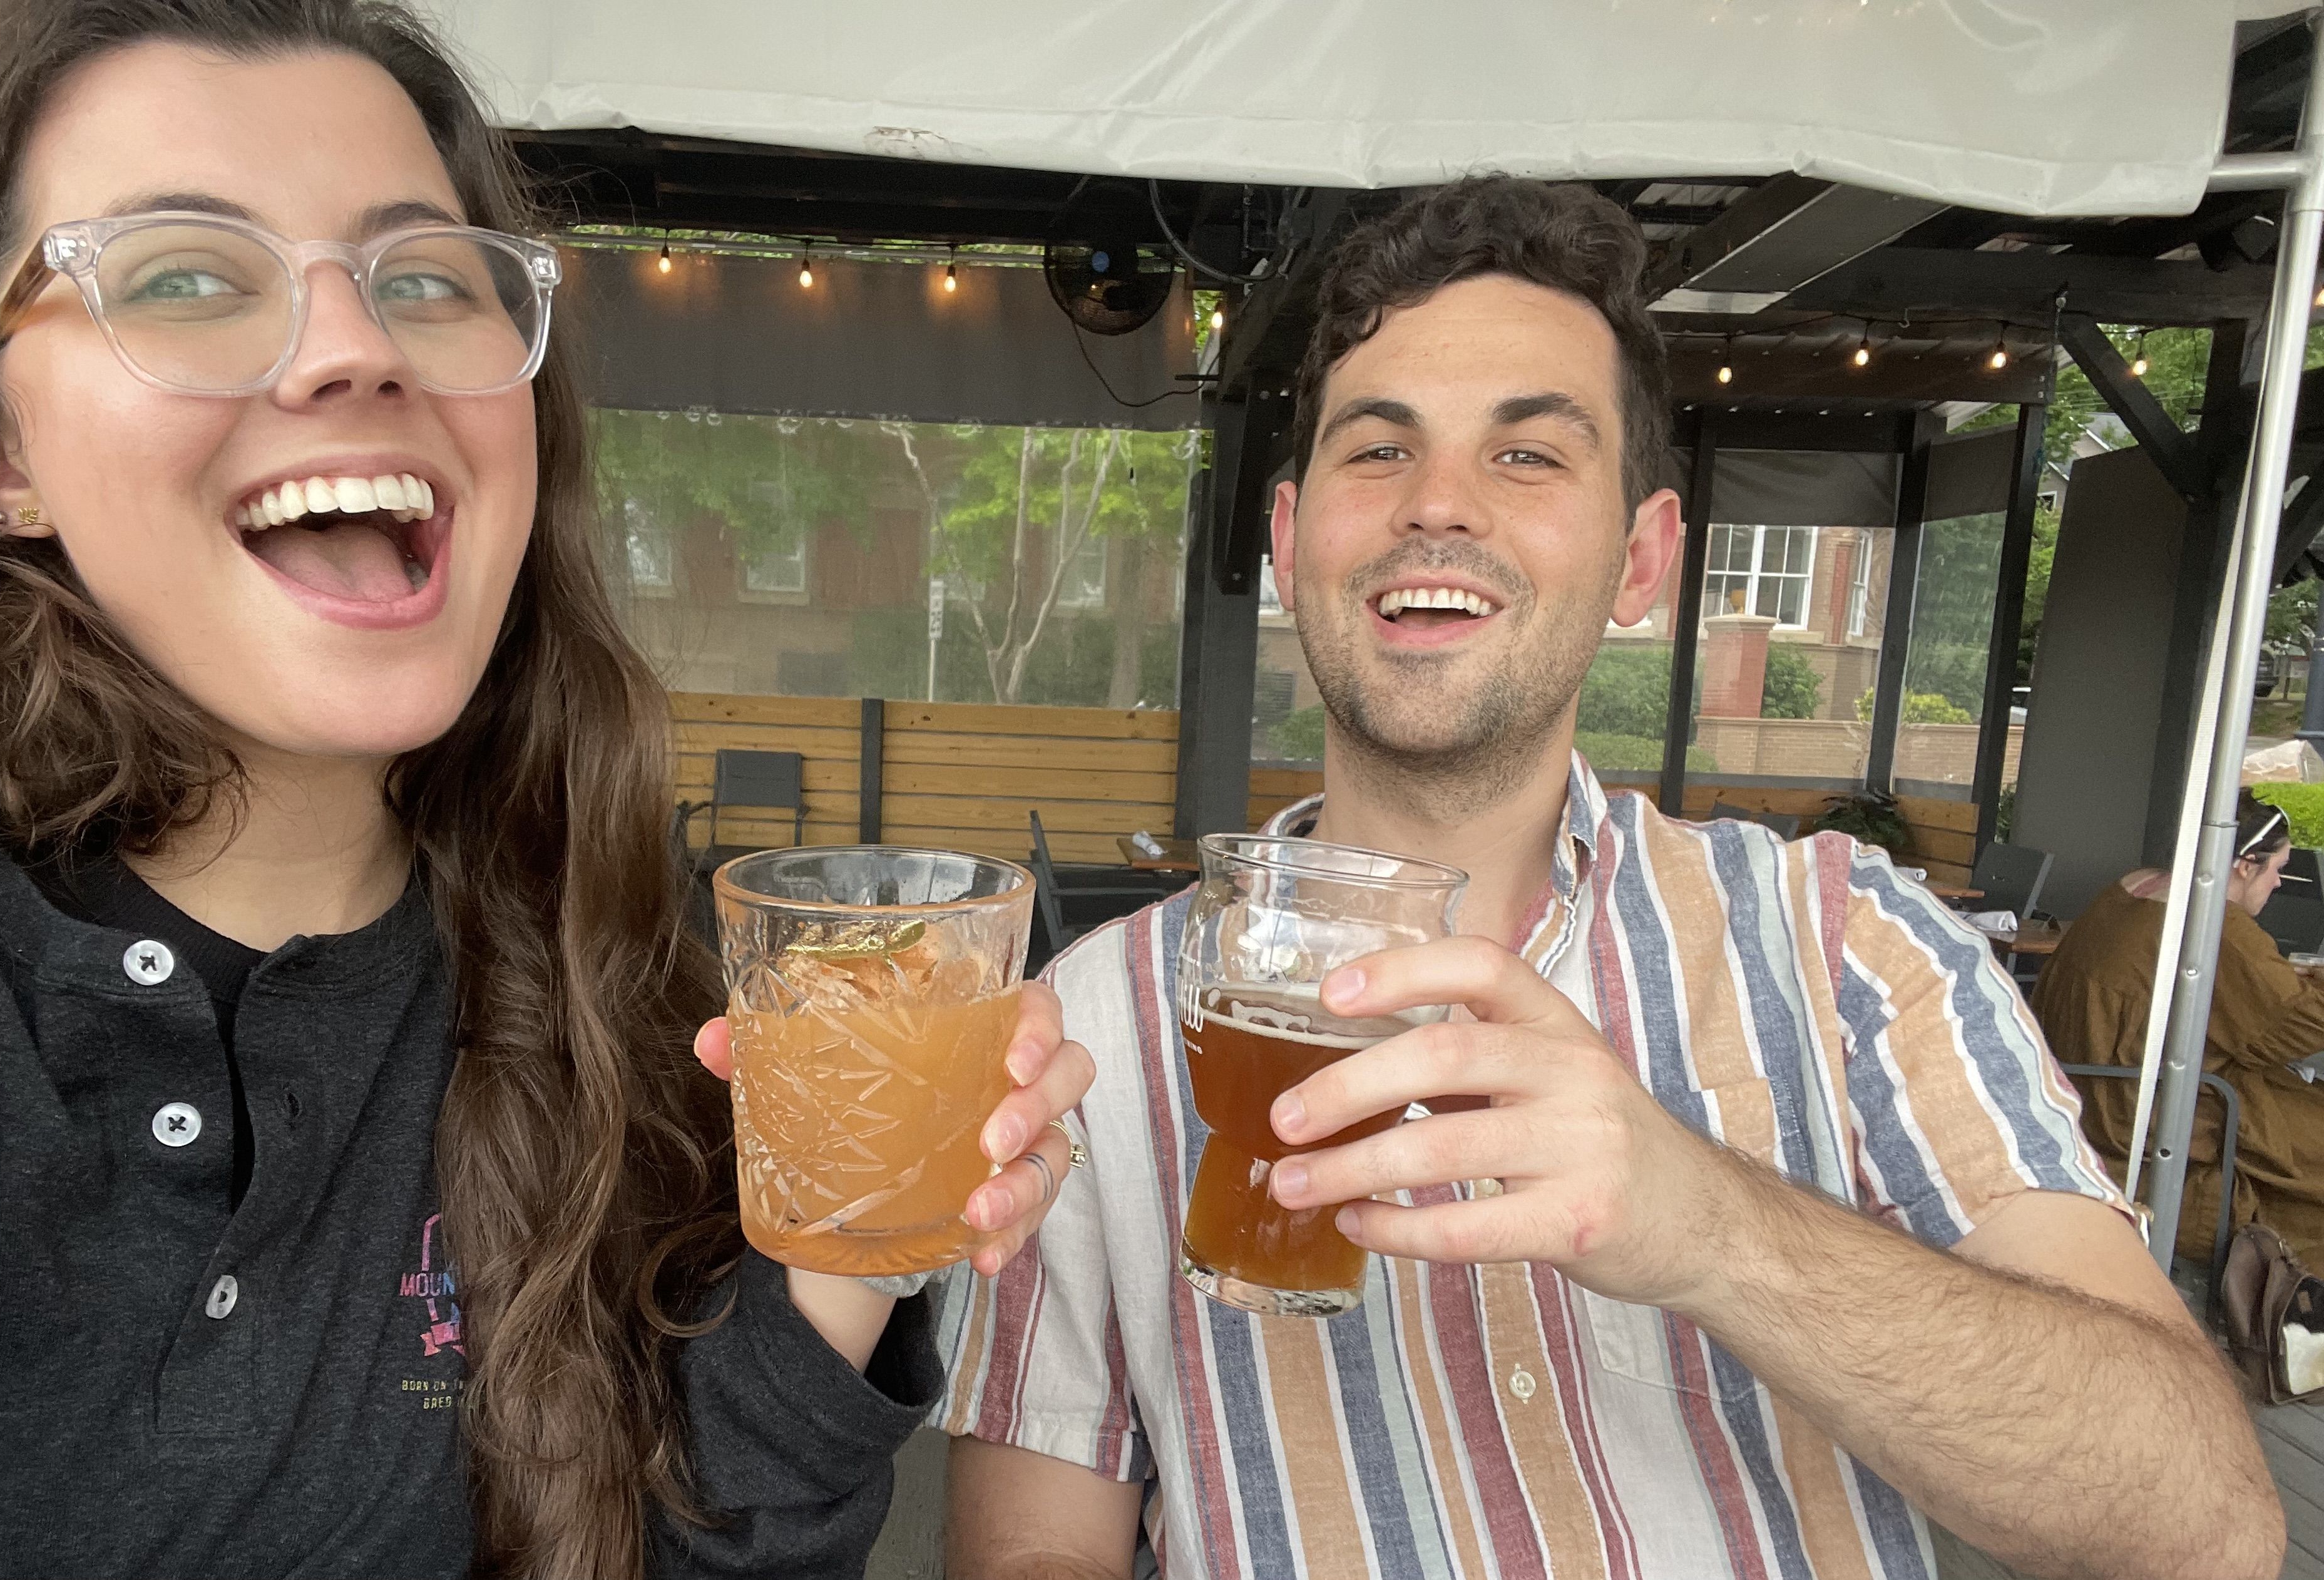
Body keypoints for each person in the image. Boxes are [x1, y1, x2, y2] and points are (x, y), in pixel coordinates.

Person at [0, 3, 1091, 1577]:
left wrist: (852, 1248)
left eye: (424, 277)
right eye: (187, 277)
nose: (358, 346)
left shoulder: (602, 994)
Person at [931, 176, 2280, 1580]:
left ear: (1643, 558)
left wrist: (1710, 1223)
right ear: (1288, 542)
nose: (1438, 504)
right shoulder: (1093, 1025)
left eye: (1528, 456)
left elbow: (2206, 1523)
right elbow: (1032, 1549)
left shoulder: (1849, 943)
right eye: (1378, 449)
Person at [2033, 789, 2324, 1266]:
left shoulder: (2135, 887)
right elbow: (2290, 1027)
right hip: (2143, 1118)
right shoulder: (2213, 920)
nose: (2277, 885)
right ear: (2245, 865)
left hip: (2083, 1096)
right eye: (2277, 870)